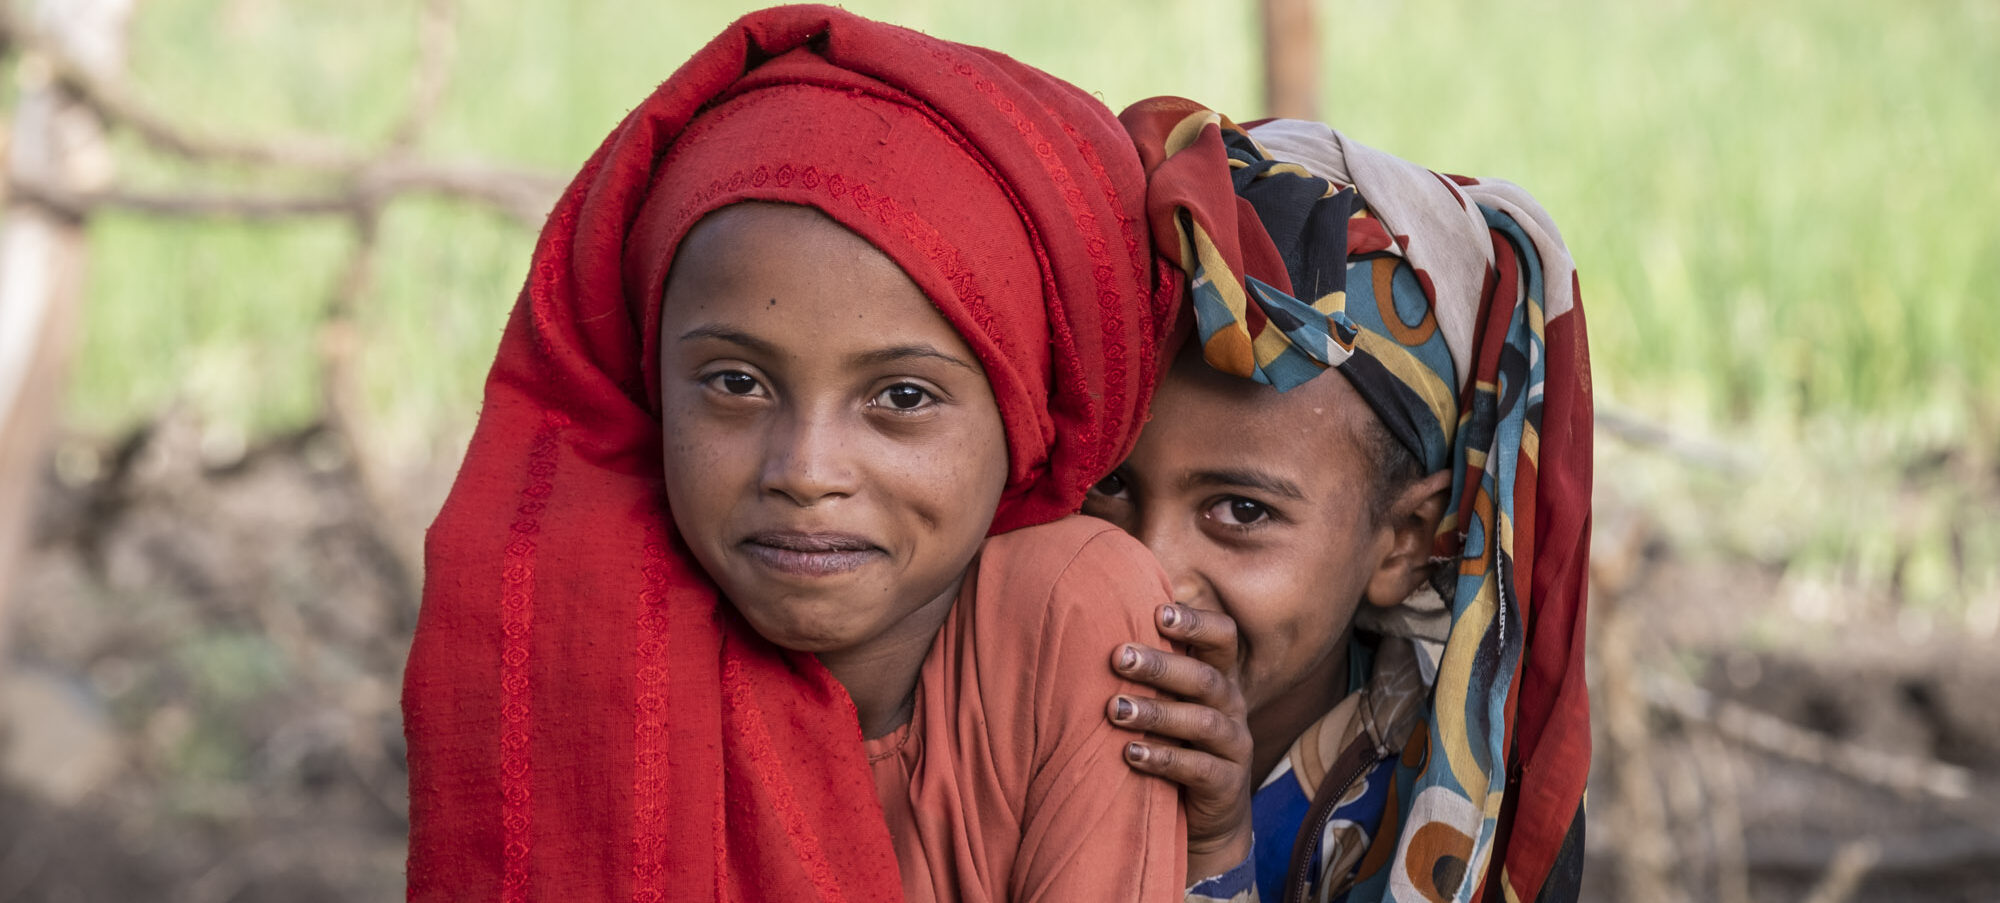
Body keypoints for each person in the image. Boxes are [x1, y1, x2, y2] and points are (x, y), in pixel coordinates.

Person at [401, 8, 1213, 901]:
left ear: (1025, 419)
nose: (804, 469)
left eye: (901, 397)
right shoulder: (567, 626)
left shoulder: (1070, 612)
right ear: (651, 382)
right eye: (737, 383)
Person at [1096, 101, 1593, 903]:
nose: (1147, 568)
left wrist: (1212, 856)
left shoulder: (1463, 817)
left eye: (1242, 511)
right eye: (1109, 482)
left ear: (1405, 540)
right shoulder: (983, 686)